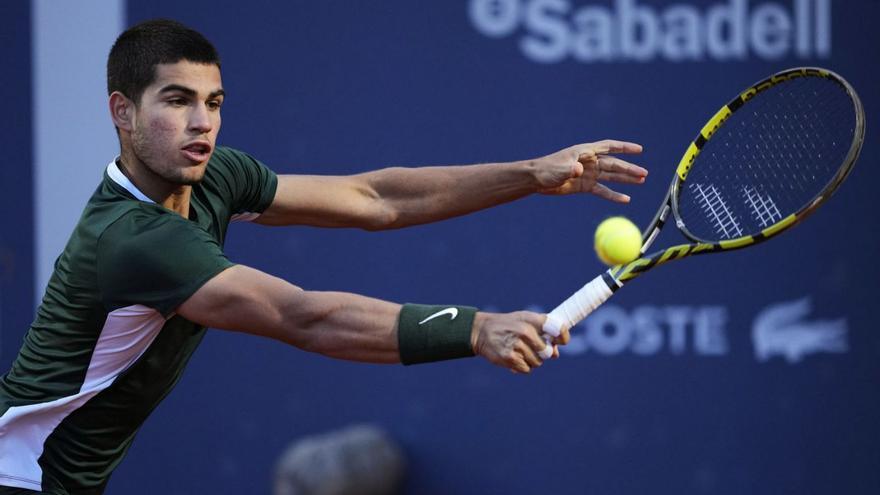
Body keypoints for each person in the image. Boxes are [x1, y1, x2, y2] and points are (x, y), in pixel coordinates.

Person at [0, 19, 647, 494]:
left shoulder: (214, 177)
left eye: (213, 103)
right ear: (122, 112)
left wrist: (532, 172)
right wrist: (476, 328)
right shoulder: (134, 240)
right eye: (176, 101)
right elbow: (304, 317)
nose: (202, 122)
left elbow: (375, 197)